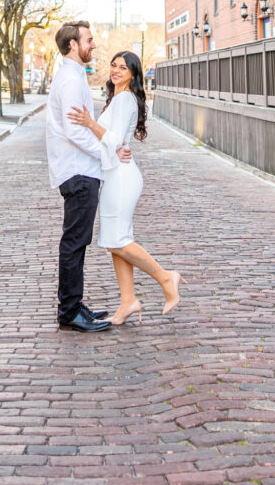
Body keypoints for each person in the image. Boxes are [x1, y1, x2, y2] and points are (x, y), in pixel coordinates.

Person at [68, 50, 187, 325]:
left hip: (121, 178)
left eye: (123, 67)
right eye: (113, 65)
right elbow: (115, 143)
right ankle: (128, 302)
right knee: (115, 241)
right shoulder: (117, 98)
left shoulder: (124, 99)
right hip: (115, 174)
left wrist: (89, 123)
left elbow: (114, 138)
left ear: (133, 73)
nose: (116, 70)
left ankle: (166, 277)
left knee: (119, 240)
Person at [45, 21, 132, 333]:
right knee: (74, 242)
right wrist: (105, 153)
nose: (93, 45)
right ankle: (68, 312)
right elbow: (74, 131)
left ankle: (74, 304)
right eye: (89, 40)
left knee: (77, 243)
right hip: (78, 171)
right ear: (73, 45)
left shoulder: (73, 75)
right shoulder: (70, 80)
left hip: (81, 170)